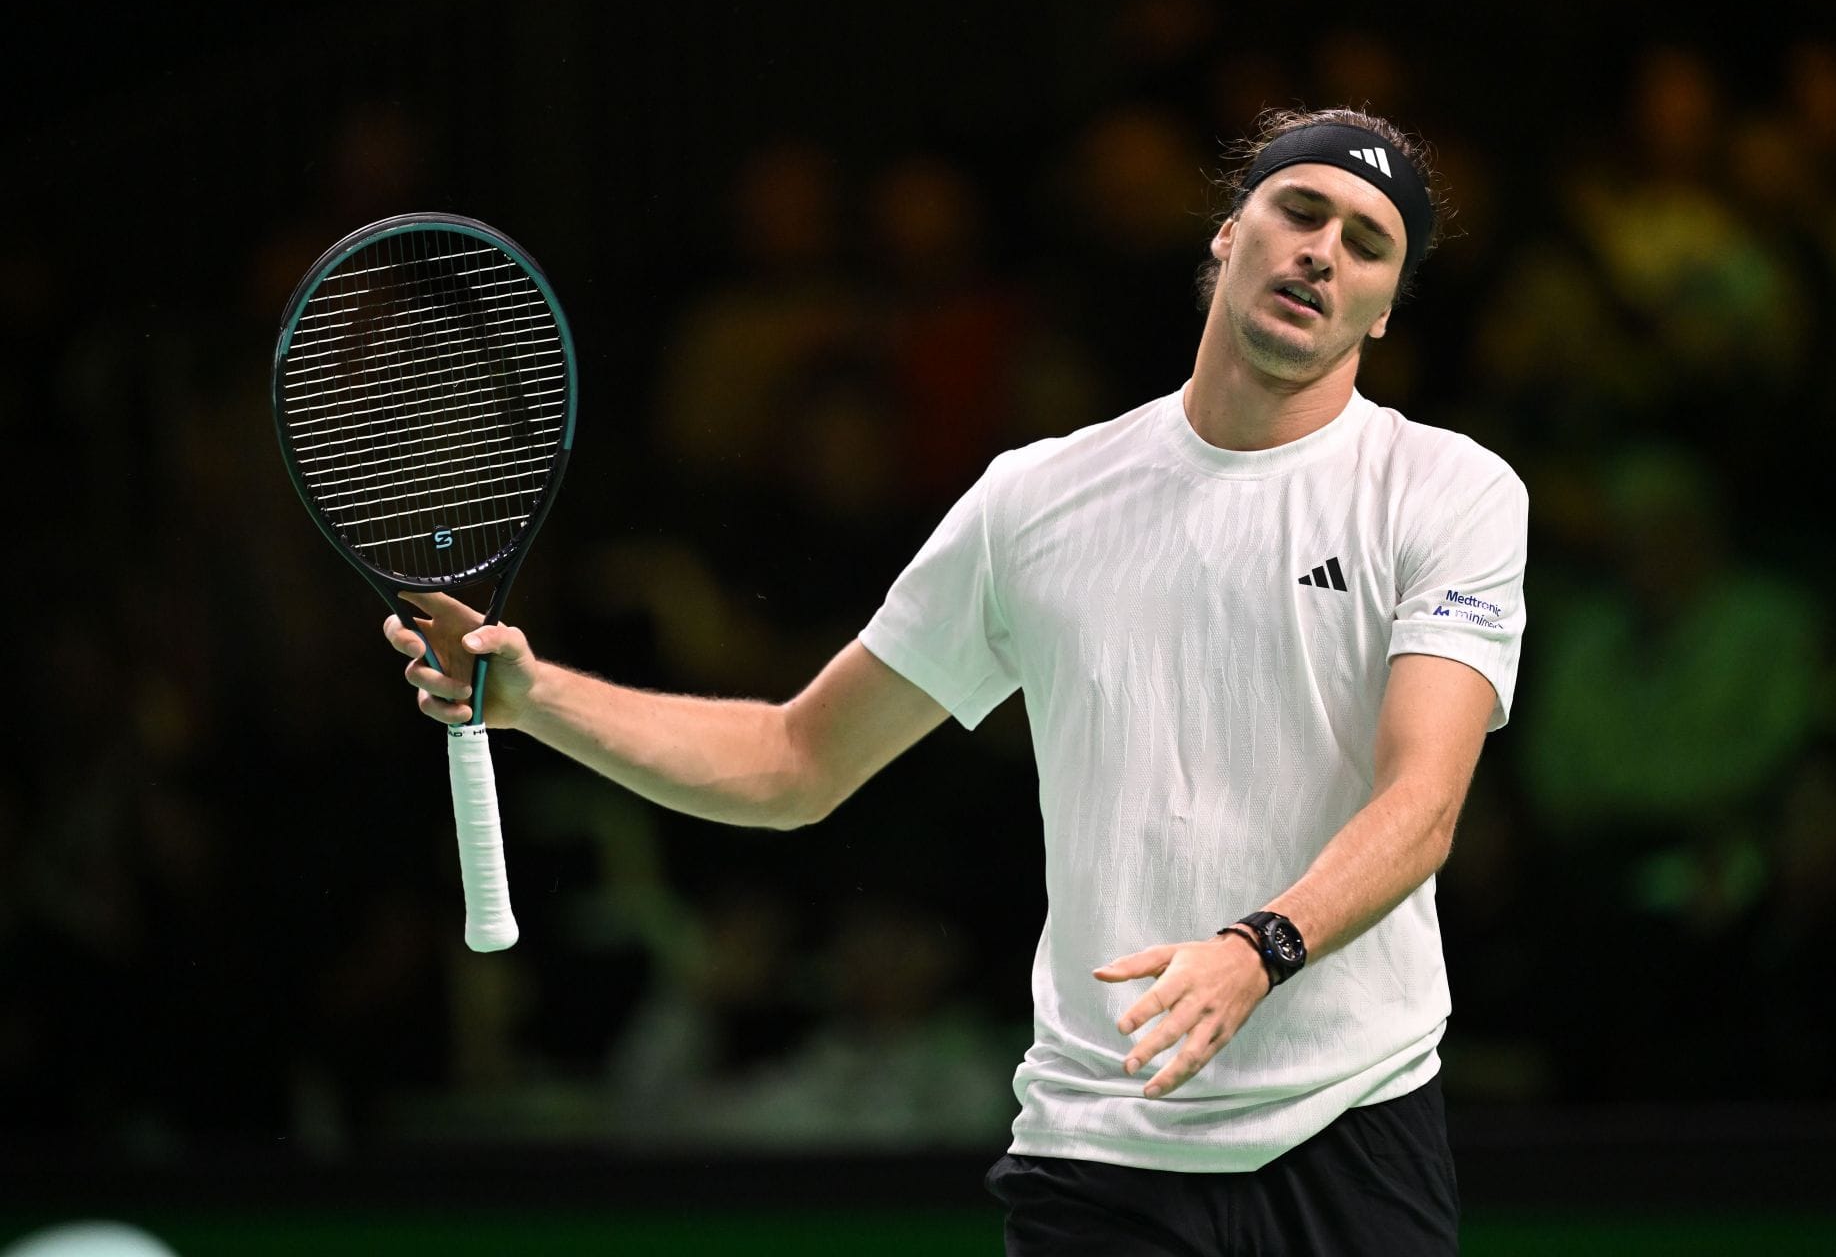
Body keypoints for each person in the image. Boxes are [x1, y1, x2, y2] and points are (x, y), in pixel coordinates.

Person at [385, 106, 1527, 1254]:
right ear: (1231, 231)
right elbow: (795, 760)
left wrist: (1256, 950)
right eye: (1301, 210)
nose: (1323, 251)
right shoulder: (1036, 501)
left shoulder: (1447, 492)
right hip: (1102, 1148)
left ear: (1386, 306)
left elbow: (1422, 801)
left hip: (1351, 1122)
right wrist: (535, 698)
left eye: (1368, 243)